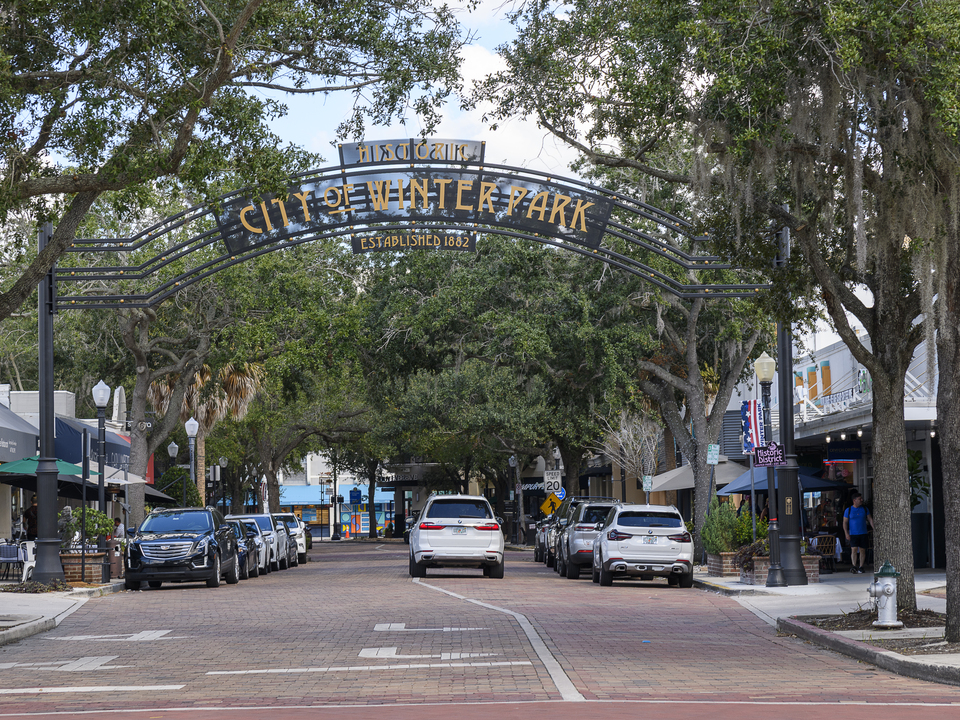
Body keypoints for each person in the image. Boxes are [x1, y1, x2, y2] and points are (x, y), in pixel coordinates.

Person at [843, 492, 874, 573]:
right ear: (854, 500)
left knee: (862, 550)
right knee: (854, 549)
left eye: (861, 498)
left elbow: (870, 519)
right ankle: (854, 566)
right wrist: (846, 533)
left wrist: (874, 527)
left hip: (863, 532)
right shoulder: (848, 510)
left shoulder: (864, 509)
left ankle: (861, 566)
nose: (861, 500)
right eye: (859, 499)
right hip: (853, 533)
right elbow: (845, 522)